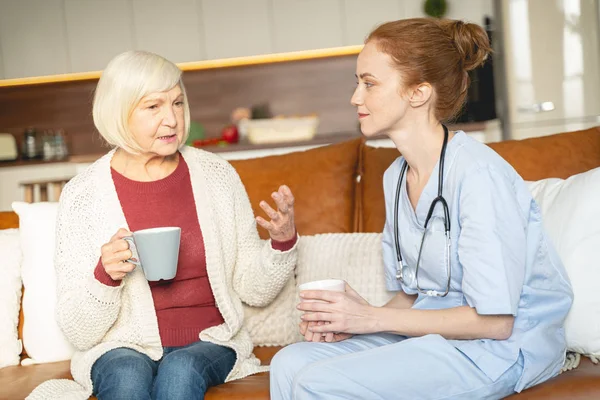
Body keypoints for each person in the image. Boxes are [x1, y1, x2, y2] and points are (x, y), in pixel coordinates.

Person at [270, 18, 573, 400]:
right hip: (435, 337)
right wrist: (354, 315)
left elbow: (496, 322)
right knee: (289, 362)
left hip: (498, 349)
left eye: (369, 83)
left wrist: (370, 319)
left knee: (318, 383)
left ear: (418, 93)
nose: (355, 98)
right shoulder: (395, 177)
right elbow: (410, 296)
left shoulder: (479, 175)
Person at [28, 50, 298, 400]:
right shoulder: (83, 194)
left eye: (178, 103)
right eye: (153, 107)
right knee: (126, 373)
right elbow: (79, 332)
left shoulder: (217, 176)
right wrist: (105, 275)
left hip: (207, 340)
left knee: (180, 369)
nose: (172, 119)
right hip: (120, 345)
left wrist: (281, 243)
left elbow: (253, 289)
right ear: (119, 113)